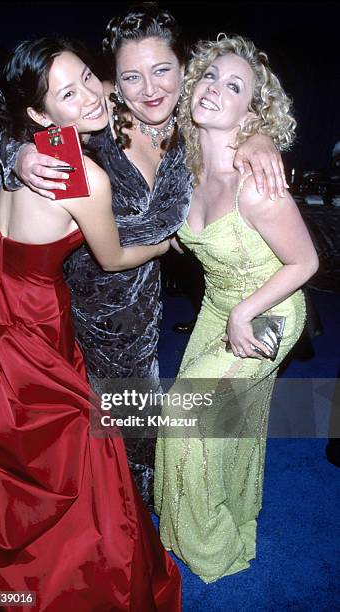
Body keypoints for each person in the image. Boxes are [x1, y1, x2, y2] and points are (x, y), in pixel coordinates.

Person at [0, 2, 288, 509]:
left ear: (184, 69)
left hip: (134, 315)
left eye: (163, 70)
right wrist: (19, 150)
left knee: (134, 430)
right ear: (114, 78)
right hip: (62, 307)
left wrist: (259, 138)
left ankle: (127, 525)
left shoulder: (198, 123)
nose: (150, 89)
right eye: (131, 76)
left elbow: (247, 108)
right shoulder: (99, 110)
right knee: (56, 443)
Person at [0, 38, 182, 611]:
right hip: (32, 320)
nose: (91, 94)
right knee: (81, 457)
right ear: (39, 113)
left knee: (3, 456)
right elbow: (112, 257)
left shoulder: (39, 144)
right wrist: (162, 244)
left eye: (89, 75)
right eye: (69, 91)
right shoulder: (82, 174)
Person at [154, 34, 319, 583]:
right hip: (218, 304)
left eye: (234, 86)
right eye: (208, 77)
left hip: (269, 308)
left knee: (186, 418)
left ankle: (212, 546)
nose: (214, 89)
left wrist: (245, 312)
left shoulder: (257, 183)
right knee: (224, 419)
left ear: (252, 113)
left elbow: (305, 263)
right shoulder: (186, 166)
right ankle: (210, 509)